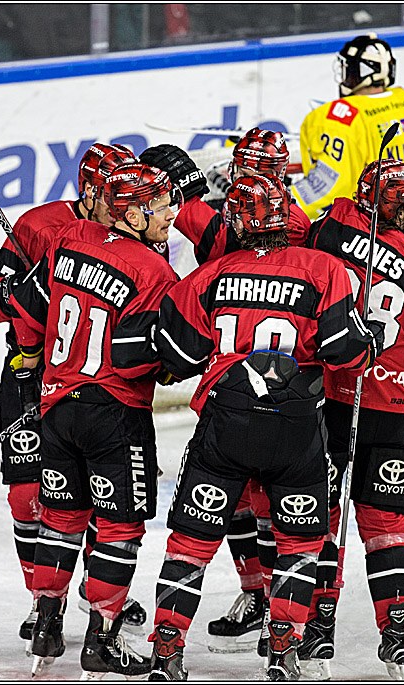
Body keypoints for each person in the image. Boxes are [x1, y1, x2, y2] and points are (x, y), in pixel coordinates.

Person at [146, 174, 380, 681]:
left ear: (236, 222)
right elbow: (345, 353)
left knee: (189, 541)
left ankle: (167, 649)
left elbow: (178, 357)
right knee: (298, 545)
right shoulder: (326, 269)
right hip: (295, 425)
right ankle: (284, 648)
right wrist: (371, 344)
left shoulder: (211, 275)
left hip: (226, 420)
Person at [139, 130, 311, 653]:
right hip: (258, 393)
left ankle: (294, 616)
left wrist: (189, 199)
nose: (246, 176)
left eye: (257, 168)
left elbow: (226, 252)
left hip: (284, 394)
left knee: (267, 505)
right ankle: (262, 597)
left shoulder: (289, 223)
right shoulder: (264, 208)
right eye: (243, 167)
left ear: (279, 172)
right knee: (239, 501)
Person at [8, 163, 181, 677]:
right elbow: (162, 359)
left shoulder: (68, 244)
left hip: (55, 410)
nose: (171, 213)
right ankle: (102, 639)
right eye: (162, 206)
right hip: (115, 415)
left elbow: (22, 306)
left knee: (60, 521)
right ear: (133, 211)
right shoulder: (155, 273)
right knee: (119, 527)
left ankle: (46, 623)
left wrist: (30, 354)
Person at [0, 143, 149, 647]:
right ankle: (41, 600)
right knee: (30, 495)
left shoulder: (135, 233)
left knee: (100, 497)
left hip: (96, 391)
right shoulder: (41, 226)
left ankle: (101, 590)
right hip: (32, 375)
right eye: (113, 195)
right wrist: (23, 297)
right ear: (90, 191)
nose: (126, 205)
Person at [303, 160, 404, 679]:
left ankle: (316, 627)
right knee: (387, 529)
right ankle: (397, 629)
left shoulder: (331, 228)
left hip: (327, 403)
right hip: (390, 414)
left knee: (317, 524)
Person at [293, 33, 404, 243]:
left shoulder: (339, 117)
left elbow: (328, 189)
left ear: (357, 72)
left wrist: (284, 203)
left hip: (366, 250)